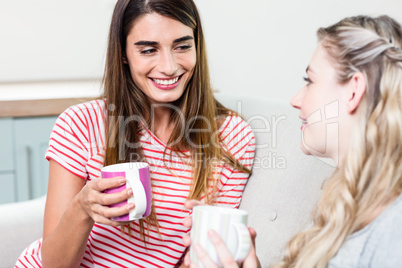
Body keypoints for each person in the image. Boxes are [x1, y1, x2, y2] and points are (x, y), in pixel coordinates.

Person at [15, 0, 255, 267]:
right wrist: (82, 208)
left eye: (183, 46)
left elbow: (213, 252)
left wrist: (198, 256)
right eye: (149, 50)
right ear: (124, 54)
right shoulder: (81, 123)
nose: (169, 66)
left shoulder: (232, 136)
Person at [183, 15, 402, 268]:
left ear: (353, 91)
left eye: (310, 81)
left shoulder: (392, 229)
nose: (296, 100)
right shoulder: (343, 203)